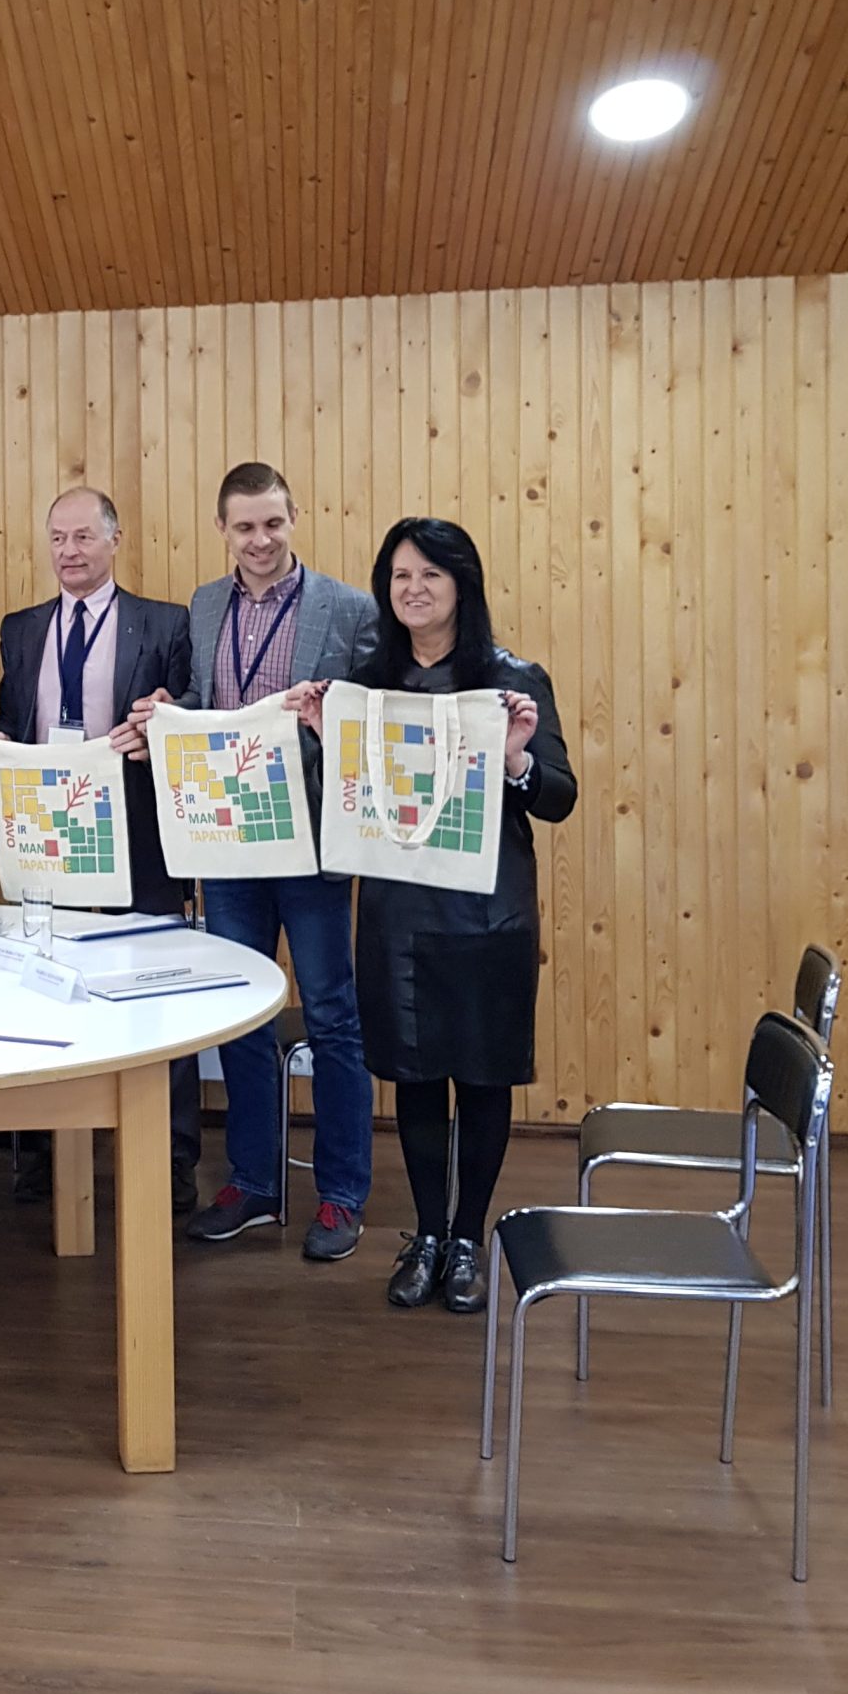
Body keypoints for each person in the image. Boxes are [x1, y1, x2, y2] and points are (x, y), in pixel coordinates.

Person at [295, 517, 577, 1313]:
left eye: (430, 575)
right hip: (399, 918)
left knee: (483, 1080)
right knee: (416, 1082)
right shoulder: (369, 684)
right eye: (400, 576)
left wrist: (516, 755)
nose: (413, 589)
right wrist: (324, 736)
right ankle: (424, 1235)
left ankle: (466, 1239)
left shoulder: (510, 681)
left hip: (489, 919)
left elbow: (559, 797)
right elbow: (341, 801)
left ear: (462, 585)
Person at [131, 461, 377, 1253]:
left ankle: (341, 1195)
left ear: (294, 517)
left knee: (332, 1017)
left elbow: (373, 719)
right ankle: (255, 1183)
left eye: (273, 523)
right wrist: (171, 711)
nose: (260, 540)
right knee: (240, 1014)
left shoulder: (348, 608)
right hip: (227, 843)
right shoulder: (206, 605)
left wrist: (331, 719)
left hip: (310, 845)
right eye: (244, 526)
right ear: (223, 530)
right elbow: (205, 707)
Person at [0, 487, 192, 1204]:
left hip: (138, 834)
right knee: (43, 991)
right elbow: (15, 717)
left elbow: (189, 718)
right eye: (58, 538)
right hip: (46, 836)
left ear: (114, 540)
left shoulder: (165, 623)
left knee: (156, 993)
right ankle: (44, 1151)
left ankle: (171, 1157)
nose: (69, 551)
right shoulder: (21, 628)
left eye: (84, 537)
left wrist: (166, 721)